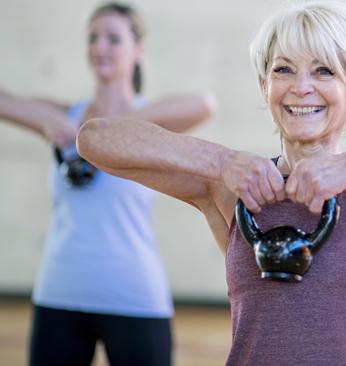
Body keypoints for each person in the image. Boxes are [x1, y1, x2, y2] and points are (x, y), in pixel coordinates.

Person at [77, 1, 346, 364]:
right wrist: (222, 160)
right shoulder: (231, 189)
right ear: (266, 86)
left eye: (323, 72)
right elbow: (95, 138)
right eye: (284, 70)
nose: (301, 88)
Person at [0, 3, 215, 366]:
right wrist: (47, 120)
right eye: (93, 38)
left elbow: (205, 104)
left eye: (114, 38)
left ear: (138, 50)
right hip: (59, 293)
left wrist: (103, 131)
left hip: (133, 297)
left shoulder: (151, 122)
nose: (101, 46)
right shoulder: (64, 115)